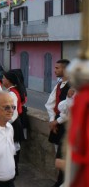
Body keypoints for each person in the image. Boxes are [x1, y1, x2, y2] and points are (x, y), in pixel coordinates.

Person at [45, 59, 71, 187]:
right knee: (58, 154)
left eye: (57, 68)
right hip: (57, 123)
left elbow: (71, 109)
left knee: (64, 156)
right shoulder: (59, 85)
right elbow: (50, 104)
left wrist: (57, 121)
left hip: (67, 126)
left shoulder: (72, 86)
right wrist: (52, 120)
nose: (54, 70)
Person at [2, 70, 25, 176]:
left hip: (13, 124)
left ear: (9, 81)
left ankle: (14, 170)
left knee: (13, 148)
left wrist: (5, 123)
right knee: (13, 148)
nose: (2, 80)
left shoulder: (12, 93)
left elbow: (13, 112)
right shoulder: (12, 91)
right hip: (13, 123)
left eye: (4, 78)